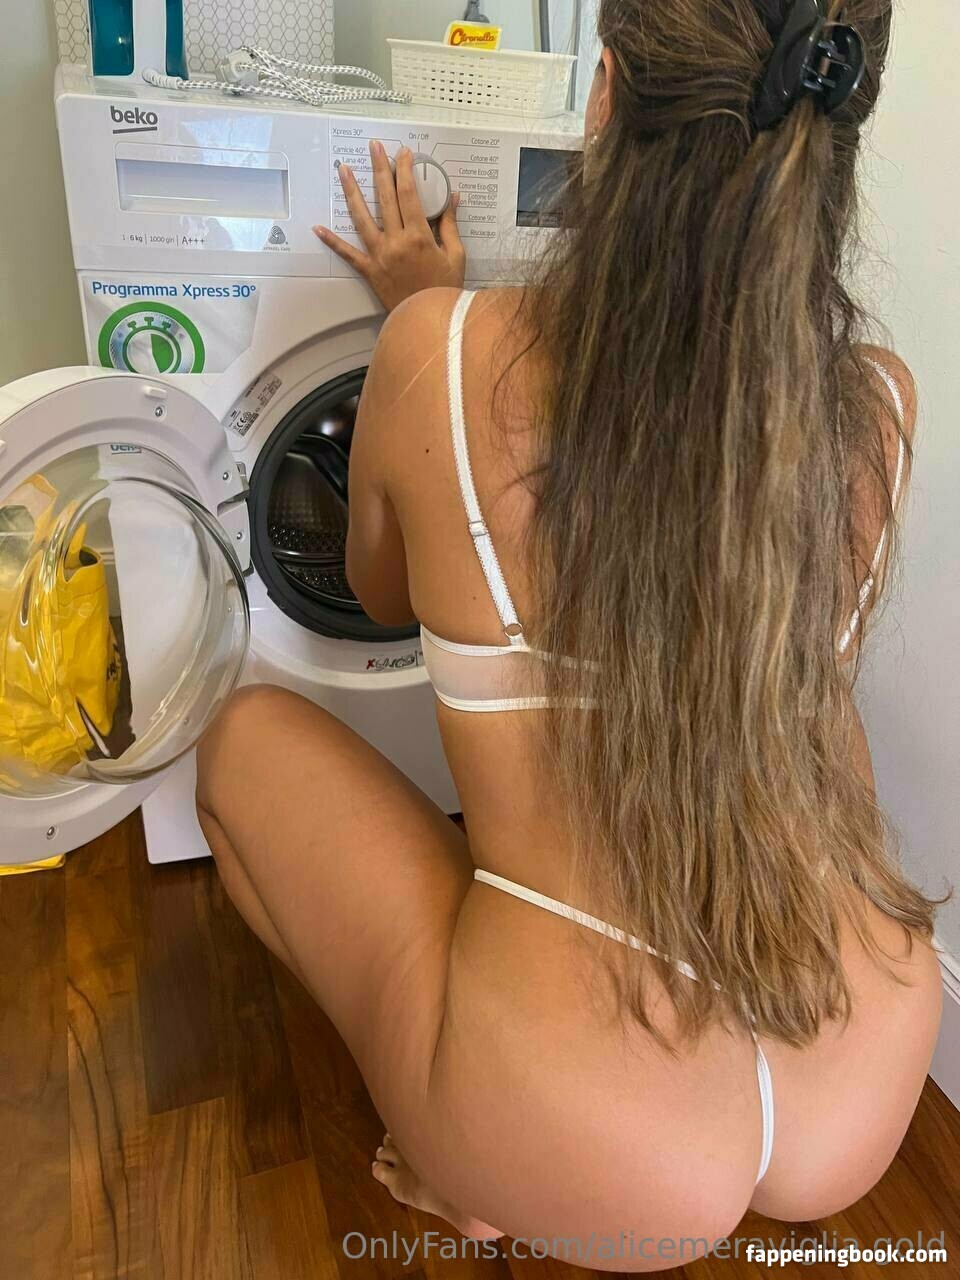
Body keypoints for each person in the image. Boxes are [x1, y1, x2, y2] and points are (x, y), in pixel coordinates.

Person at [196, 1, 945, 1267]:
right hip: (859, 1061)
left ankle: (466, 1159)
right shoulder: (876, 406)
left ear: (603, 94)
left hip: (588, 1120)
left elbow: (376, 594)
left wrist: (424, 326)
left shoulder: (442, 355)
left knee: (240, 741)